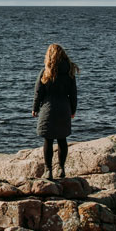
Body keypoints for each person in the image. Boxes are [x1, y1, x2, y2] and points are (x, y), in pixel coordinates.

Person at [32, 43, 79, 179]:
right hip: (64, 109)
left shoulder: (45, 71)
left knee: (48, 140)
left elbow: (38, 92)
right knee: (62, 139)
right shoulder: (69, 71)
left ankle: (48, 171)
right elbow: (73, 94)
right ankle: (61, 169)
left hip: (48, 109)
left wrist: (35, 108)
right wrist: (73, 110)